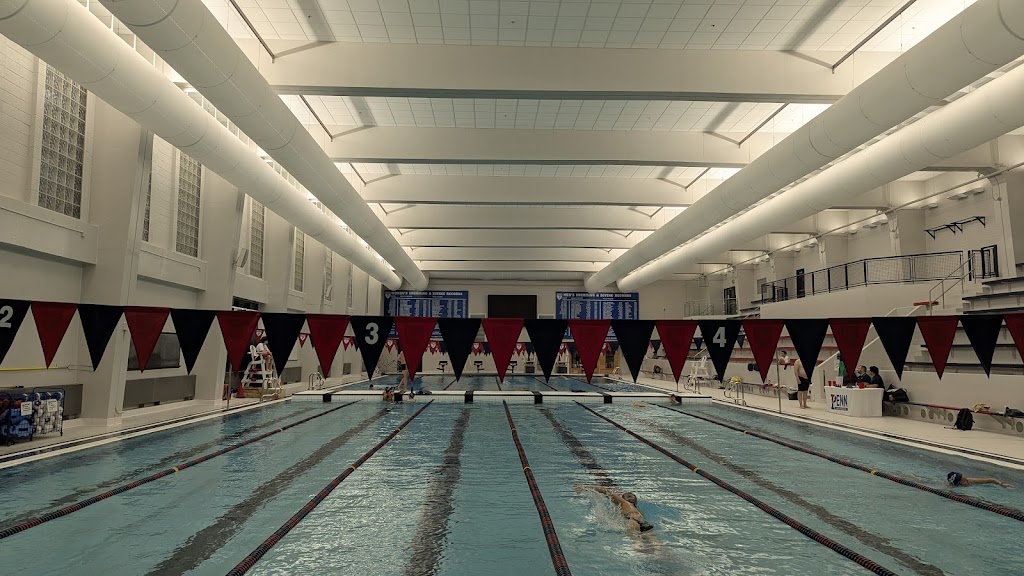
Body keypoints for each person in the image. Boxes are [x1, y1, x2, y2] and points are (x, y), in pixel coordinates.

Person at [574, 484, 654, 532]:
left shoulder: (623, 502)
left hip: (631, 522)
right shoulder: (638, 510)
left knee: (637, 543)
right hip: (644, 523)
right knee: (652, 541)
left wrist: (585, 487)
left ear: (623, 498)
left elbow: (605, 490)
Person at [947, 471, 1012, 488]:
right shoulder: (953, 487)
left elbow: (990, 480)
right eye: (964, 481)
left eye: (965, 479)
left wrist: (1001, 484)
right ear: (958, 484)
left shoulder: (970, 481)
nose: (966, 482)